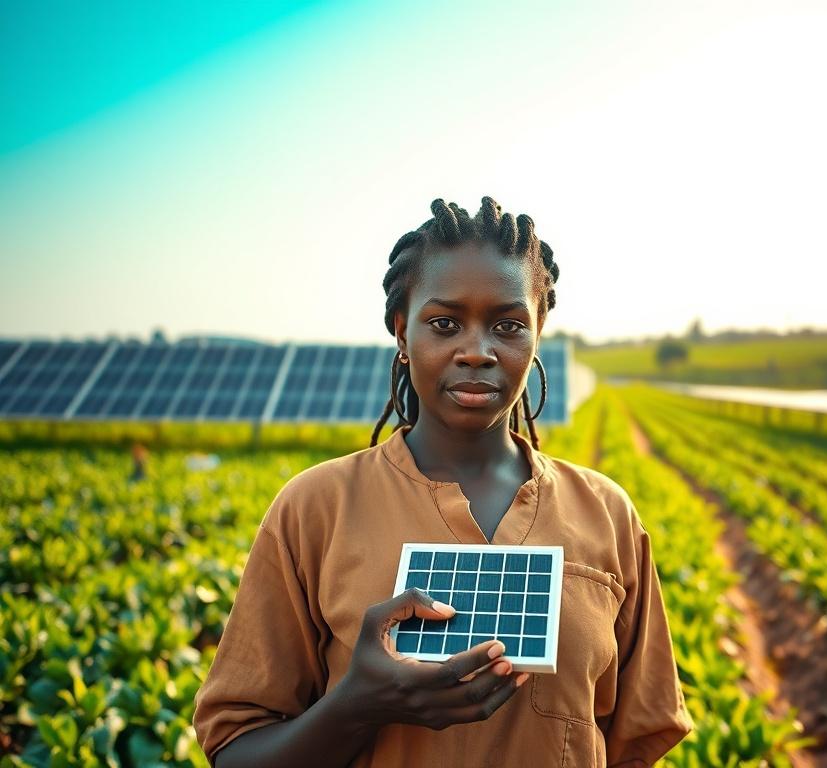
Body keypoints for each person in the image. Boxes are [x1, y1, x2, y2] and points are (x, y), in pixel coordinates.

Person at [192, 197, 693, 766]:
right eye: (445, 323)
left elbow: (634, 742)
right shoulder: (315, 508)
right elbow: (236, 749)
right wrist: (357, 704)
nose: (477, 351)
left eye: (508, 325)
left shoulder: (606, 512)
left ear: (538, 335)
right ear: (404, 334)